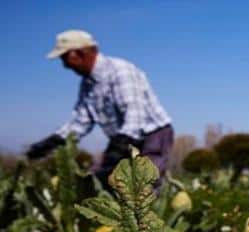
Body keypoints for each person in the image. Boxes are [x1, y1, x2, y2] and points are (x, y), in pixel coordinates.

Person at [26, 30, 174, 187]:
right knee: (95, 183)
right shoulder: (87, 85)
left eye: (65, 58)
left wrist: (116, 151)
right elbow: (80, 123)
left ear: (81, 53)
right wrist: (54, 142)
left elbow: (134, 116)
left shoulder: (120, 71)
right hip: (123, 139)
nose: (64, 65)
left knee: (144, 185)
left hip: (152, 136)